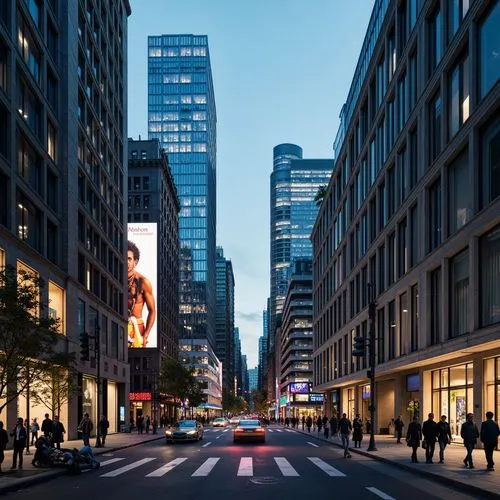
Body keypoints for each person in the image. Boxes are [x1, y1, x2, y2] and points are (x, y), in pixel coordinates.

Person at [127, 240, 156, 348]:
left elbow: (152, 311)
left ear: (135, 262)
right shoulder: (113, 278)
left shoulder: (143, 282)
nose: (126, 262)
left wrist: (145, 335)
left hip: (137, 328)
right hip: (117, 326)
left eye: (129, 259)